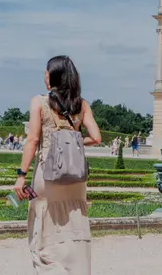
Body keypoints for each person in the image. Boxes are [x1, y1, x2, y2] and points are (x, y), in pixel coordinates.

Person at [14, 55, 101, 274]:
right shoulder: (81, 105)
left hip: (47, 176)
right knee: (73, 229)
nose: (44, 76)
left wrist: (21, 175)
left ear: (54, 76)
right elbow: (97, 137)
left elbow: (32, 140)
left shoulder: (39, 102)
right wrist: (74, 141)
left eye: (46, 71)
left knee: (41, 228)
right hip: (76, 179)